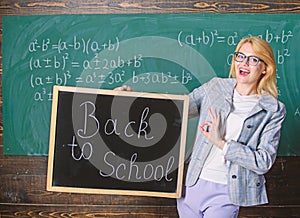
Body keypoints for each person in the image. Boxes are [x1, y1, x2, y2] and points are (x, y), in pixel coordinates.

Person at [115, 36, 286, 218]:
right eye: (240, 56)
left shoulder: (272, 109)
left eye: (253, 59)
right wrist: (136, 97)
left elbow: (263, 161)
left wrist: (222, 143)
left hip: (227, 192)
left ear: (265, 68)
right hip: (193, 185)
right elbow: (179, 107)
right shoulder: (215, 87)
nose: (244, 63)